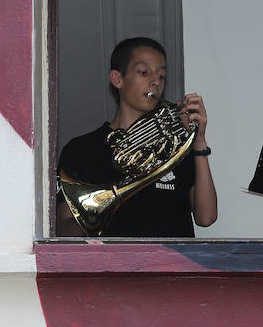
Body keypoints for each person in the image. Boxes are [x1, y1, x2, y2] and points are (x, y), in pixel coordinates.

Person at [57, 37, 217, 237]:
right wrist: (100, 213)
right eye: (144, 72)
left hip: (173, 266)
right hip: (112, 265)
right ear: (118, 79)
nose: (155, 81)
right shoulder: (81, 149)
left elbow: (206, 217)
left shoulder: (175, 145)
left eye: (162, 75)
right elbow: (64, 230)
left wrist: (199, 141)